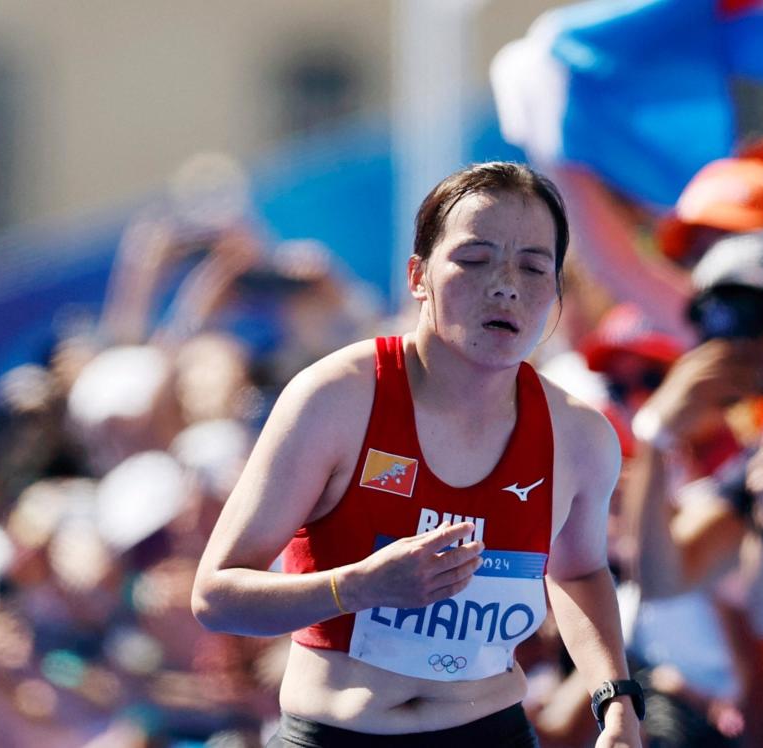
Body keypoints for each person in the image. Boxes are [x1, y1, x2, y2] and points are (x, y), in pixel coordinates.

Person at [191, 162, 643, 747]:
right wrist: (358, 587)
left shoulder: (581, 437)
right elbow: (216, 595)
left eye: (533, 267)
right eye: (475, 259)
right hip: (334, 732)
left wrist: (614, 699)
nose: (505, 285)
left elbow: (579, 572)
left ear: (556, 290)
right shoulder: (336, 398)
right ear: (417, 276)